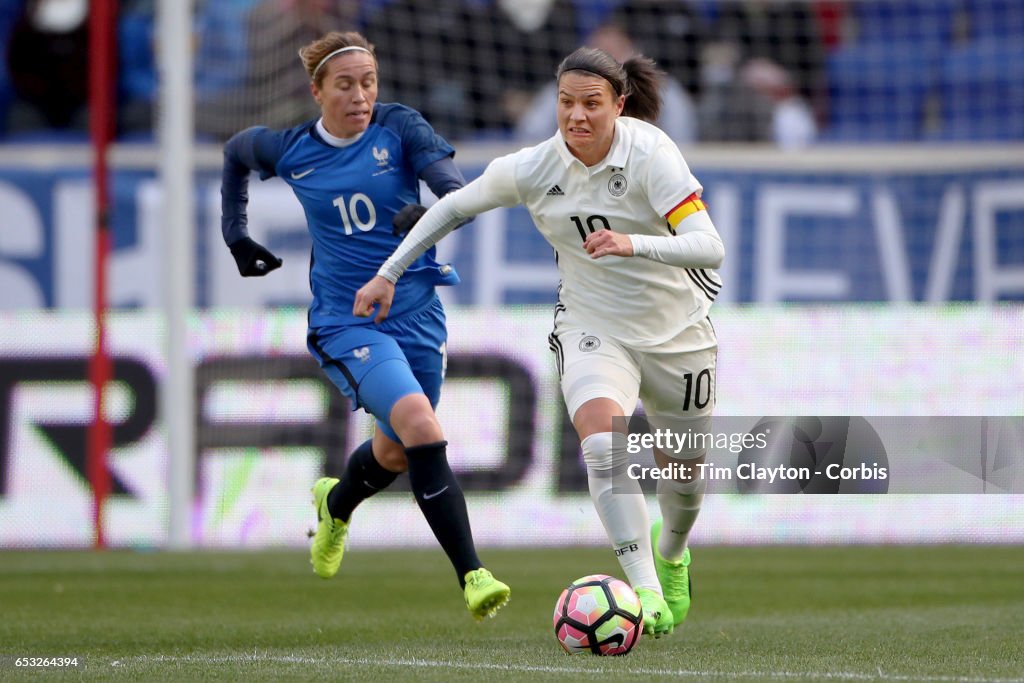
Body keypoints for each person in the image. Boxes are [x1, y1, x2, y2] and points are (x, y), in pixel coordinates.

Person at [355, 47, 724, 637]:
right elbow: (453, 208)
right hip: (591, 327)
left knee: (684, 477)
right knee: (604, 446)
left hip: (678, 332)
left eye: (592, 104)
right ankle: (646, 592)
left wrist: (635, 243)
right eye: (567, 102)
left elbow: (710, 247)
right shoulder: (534, 167)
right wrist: (389, 273)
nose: (577, 116)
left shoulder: (653, 153)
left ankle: (674, 554)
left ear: (619, 105)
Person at [219, 30, 510, 621]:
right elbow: (235, 152)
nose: (360, 96)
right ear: (317, 91)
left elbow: (458, 190)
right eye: (345, 85)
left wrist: (431, 210)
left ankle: (337, 502)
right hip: (347, 319)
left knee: (398, 452)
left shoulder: (401, 128)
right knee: (421, 427)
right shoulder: (291, 149)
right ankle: (473, 575)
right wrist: (236, 231)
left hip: (419, 312)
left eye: (368, 83)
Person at [515, 22, 697, 145]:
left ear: (631, 52)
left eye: (614, 50)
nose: (608, 59)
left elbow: (683, 139)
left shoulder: (662, 88)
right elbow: (530, 136)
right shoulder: (562, 88)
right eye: (600, 52)